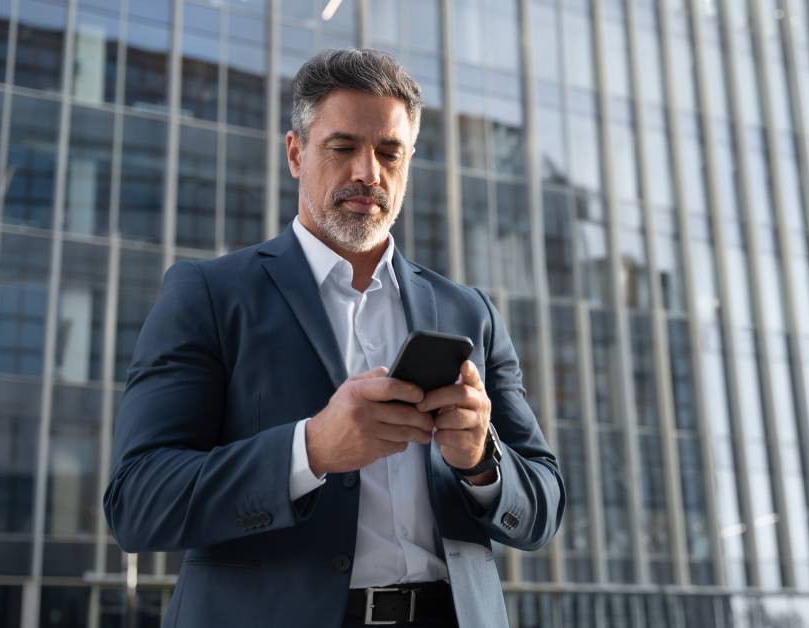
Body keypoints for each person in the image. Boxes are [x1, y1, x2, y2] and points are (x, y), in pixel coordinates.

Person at [103, 48, 564, 628]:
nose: (368, 173)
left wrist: (481, 461)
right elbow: (138, 503)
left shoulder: (468, 312)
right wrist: (312, 449)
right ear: (296, 154)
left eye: (389, 153)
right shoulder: (209, 294)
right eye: (343, 147)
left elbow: (544, 506)